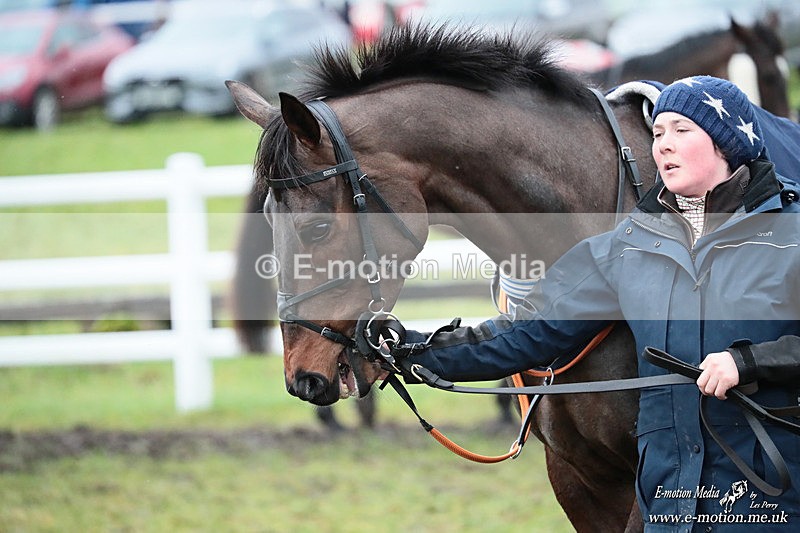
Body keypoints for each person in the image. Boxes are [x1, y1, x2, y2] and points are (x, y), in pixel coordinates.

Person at [395, 76, 800, 530]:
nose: (664, 144)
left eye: (682, 130)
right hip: (670, 509)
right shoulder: (628, 246)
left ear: (727, 144)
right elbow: (527, 333)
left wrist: (749, 362)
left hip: (774, 505)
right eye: (658, 132)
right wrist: (409, 350)